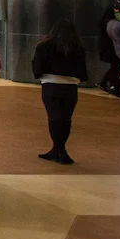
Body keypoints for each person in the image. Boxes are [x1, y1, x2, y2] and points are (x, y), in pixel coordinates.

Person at [31, 19, 89, 165]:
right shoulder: (77, 47)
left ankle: (57, 149)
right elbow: (82, 69)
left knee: (54, 118)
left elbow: (37, 66)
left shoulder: (44, 46)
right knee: (66, 119)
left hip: (50, 84)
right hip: (70, 86)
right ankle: (60, 150)